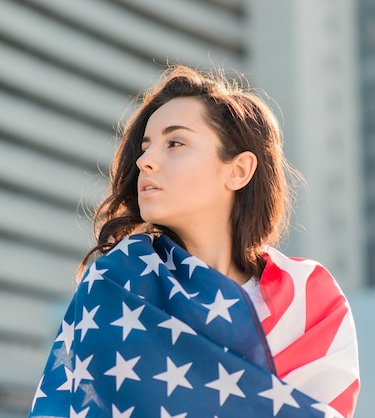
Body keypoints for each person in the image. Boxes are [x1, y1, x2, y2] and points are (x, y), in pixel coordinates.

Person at [29, 65, 359, 418]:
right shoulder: (116, 284)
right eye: (144, 147)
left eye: (175, 143)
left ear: (238, 170)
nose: (145, 161)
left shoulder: (308, 299)